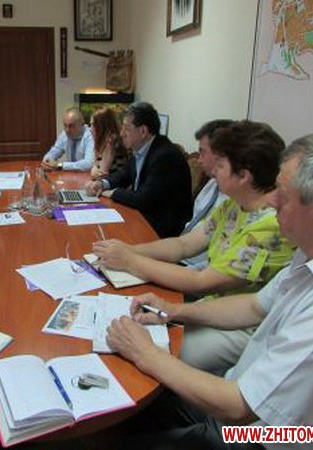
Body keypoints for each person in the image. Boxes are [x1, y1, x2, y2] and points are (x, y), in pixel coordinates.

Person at [106, 129, 313, 449]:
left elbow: (239, 407)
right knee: (132, 407)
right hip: (241, 397)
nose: (271, 200)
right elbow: (254, 306)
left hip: (261, 435)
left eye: (283, 194)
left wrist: (144, 352)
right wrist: (175, 311)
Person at [95, 121, 296, 372]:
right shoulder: (235, 204)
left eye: (220, 165)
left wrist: (130, 260)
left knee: (147, 351)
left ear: (244, 175)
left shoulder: (270, 226)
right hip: (213, 307)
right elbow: (184, 244)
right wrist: (129, 250)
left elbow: (203, 281)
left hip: (243, 327)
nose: (212, 171)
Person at [86, 101, 192, 238]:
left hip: (161, 229)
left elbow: (143, 199)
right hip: (143, 216)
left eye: (126, 129)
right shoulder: (141, 149)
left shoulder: (165, 156)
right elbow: (124, 174)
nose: (121, 133)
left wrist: (112, 193)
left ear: (143, 131)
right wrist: (102, 184)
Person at [180, 119, 233, 269]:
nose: (198, 160)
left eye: (202, 152)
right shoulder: (212, 184)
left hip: (195, 268)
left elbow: (208, 272)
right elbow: (183, 244)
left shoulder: (235, 202)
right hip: (184, 256)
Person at [42, 107, 95, 171]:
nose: (67, 130)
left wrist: (60, 165)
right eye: (65, 125)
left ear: (82, 124)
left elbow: (89, 164)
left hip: (87, 175)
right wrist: (47, 161)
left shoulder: (90, 136)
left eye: (71, 126)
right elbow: (55, 150)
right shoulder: (65, 134)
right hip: (70, 174)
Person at [89, 107, 129, 180]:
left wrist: (94, 171)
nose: (90, 129)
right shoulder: (104, 142)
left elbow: (101, 175)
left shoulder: (111, 142)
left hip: (115, 184)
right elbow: (95, 167)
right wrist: (94, 171)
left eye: (93, 125)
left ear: (101, 126)